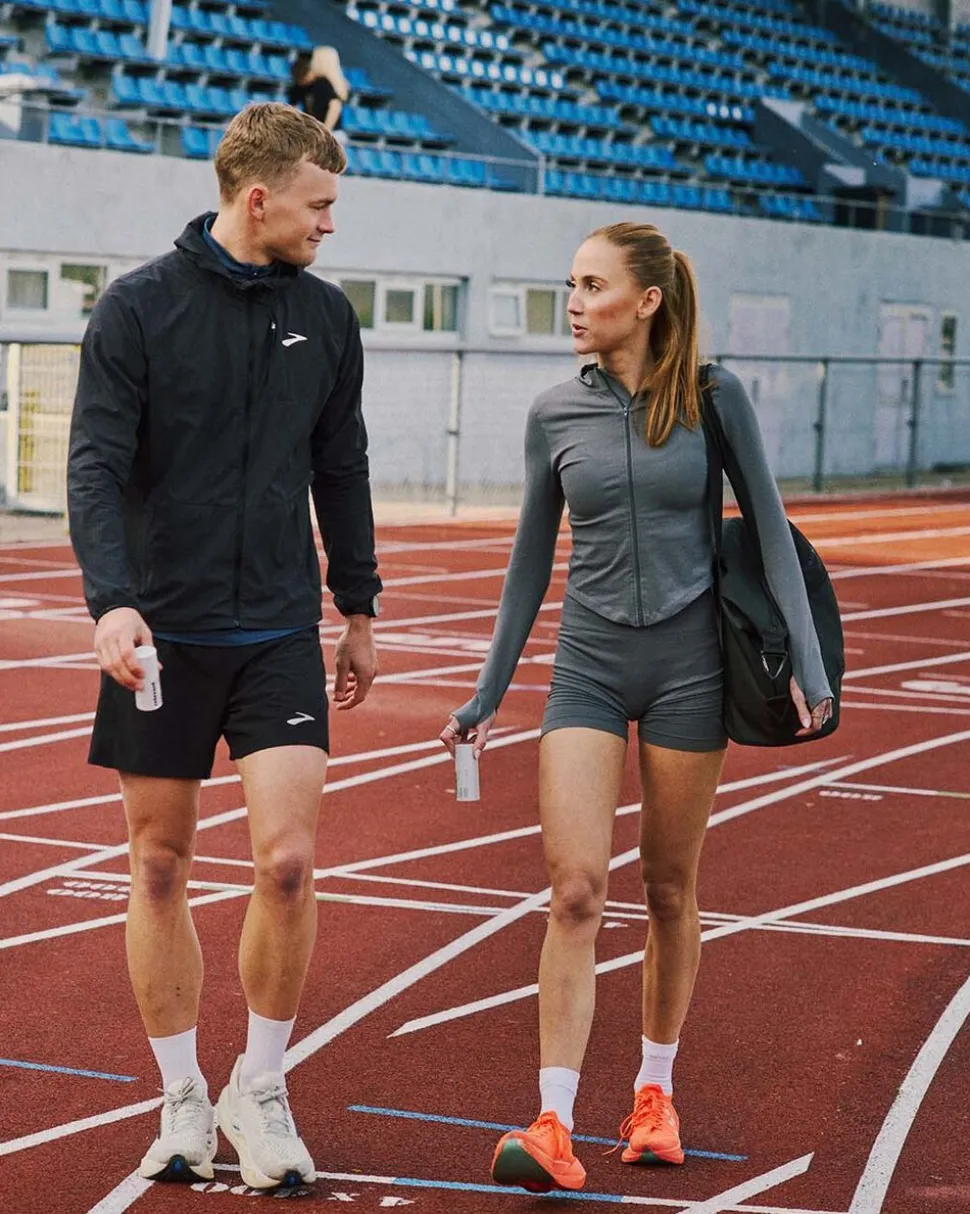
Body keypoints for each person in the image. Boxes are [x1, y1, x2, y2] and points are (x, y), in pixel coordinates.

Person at [439, 222, 832, 1194]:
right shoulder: (551, 412)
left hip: (692, 666)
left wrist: (811, 669)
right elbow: (531, 560)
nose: (572, 301)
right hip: (587, 662)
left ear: (647, 299)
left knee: (666, 887)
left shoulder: (712, 394)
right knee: (574, 888)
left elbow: (771, 533)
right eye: (568, 282)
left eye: (590, 284)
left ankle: (653, 1092)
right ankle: (553, 1118)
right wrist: (489, 690)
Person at [67, 101, 382, 1190]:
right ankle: (182, 1096)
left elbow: (341, 464)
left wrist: (360, 606)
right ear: (259, 200)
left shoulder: (328, 319)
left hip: (276, 629)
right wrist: (111, 602)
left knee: (287, 862)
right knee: (158, 864)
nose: (328, 225)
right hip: (161, 631)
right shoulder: (138, 309)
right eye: (318, 205)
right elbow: (95, 467)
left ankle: (261, 1083)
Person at [287, 45, 349, 133]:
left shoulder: (324, 84)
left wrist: (326, 130)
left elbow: (335, 106)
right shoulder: (299, 86)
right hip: (314, 129)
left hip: (328, 130)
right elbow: (292, 106)